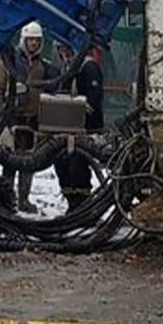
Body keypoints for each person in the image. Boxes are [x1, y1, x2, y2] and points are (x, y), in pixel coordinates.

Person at [0, 21, 58, 214]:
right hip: (12, 120)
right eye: (31, 40)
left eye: (37, 41)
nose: (34, 44)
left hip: (32, 121)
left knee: (28, 163)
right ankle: (7, 198)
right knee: (10, 161)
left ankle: (23, 200)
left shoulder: (43, 66)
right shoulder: (9, 62)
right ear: (24, 40)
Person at [54, 42, 105, 213]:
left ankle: (81, 205)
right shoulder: (67, 67)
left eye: (66, 48)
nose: (64, 52)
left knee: (78, 167)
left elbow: (93, 100)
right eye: (61, 48)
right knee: (63, 164)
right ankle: (72, 203)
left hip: (85, 129)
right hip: (67, 127)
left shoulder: (88, 67)